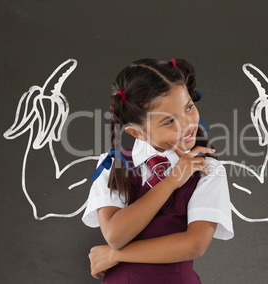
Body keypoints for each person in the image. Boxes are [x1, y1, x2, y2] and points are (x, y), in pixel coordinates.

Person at [82, 58, 234, 283]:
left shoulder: (207, 169)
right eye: (169, 121)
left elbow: (194, 244)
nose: (188, 124)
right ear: (137, 133)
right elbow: (115, 234)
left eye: (189, 107)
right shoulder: (114, 164)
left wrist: (117, 255)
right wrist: (171, 181)